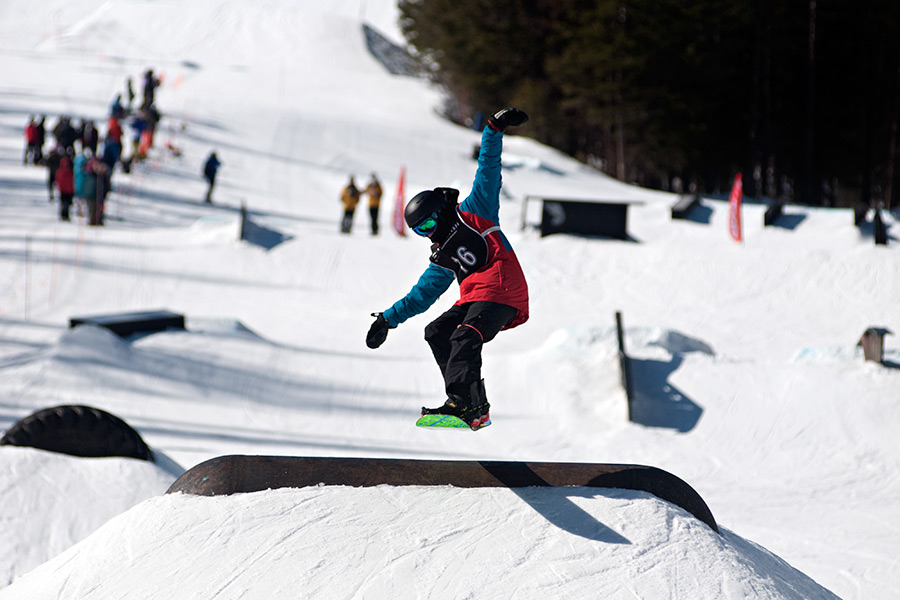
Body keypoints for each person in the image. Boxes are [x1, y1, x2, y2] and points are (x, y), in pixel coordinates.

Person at [365, 107, 530, 430]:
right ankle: (472, 405)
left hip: (502, 288)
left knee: (465, 336)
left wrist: (493, 129)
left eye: (429, 223)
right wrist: (388, 318)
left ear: (440, 212)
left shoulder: (474, 211)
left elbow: (488, 169)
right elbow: (421, 296)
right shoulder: (441, 256)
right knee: (437, 331)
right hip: (475, 298)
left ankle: (463, 403)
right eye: (420, 231)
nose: (429, 233)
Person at [55, 151, 75, 221]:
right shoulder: (71, 170)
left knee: (63, 202)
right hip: (69, 189)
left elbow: (58, 179)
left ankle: (63, 214)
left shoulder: (60, 170)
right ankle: (66, 214)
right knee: (68, 203)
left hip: (63, 189)